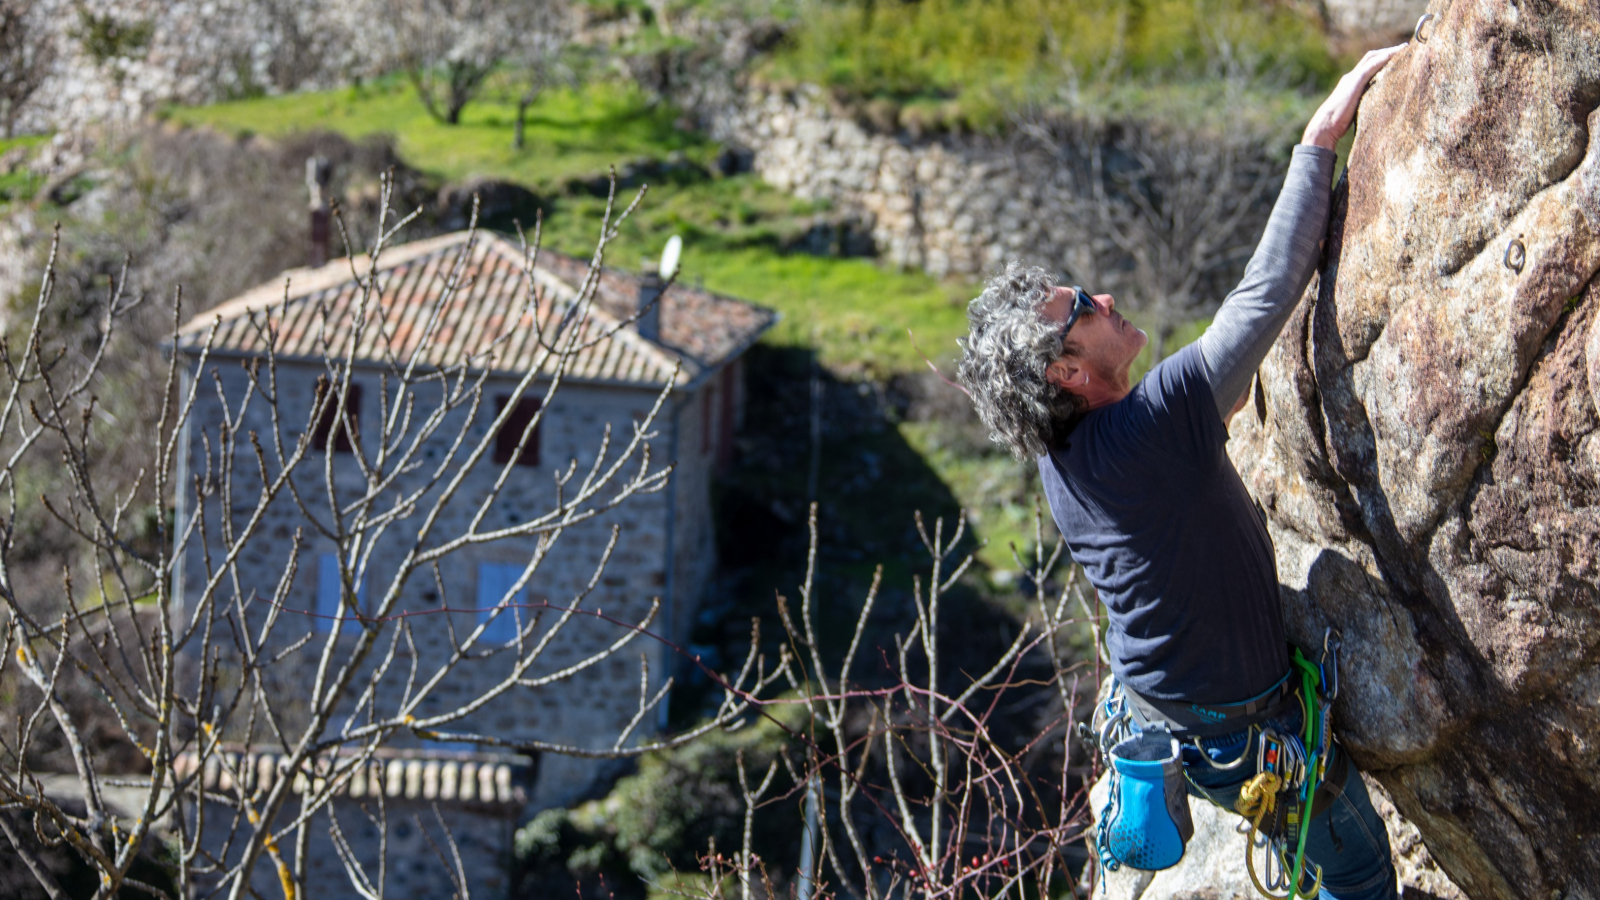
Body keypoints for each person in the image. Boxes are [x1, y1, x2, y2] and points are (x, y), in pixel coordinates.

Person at [957, 45, 1410, 900]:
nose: (1101, 297)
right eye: (1081, 310)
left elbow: (1176, 481)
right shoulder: (1156, 423)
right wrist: (1321, 136)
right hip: (1243, 732)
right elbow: (1267, 290)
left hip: (1160, 723)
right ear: (1064, 372)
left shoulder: (1064, 458)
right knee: (1359, 871)